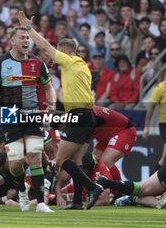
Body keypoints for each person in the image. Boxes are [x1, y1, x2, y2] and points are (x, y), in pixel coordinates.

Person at [18, 11, 103, 210]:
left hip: (79, 115)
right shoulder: (82, 66)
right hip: (87, 115)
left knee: (61, 161)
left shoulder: (70, 61)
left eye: (58, 52)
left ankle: (92, 187)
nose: (54, 56)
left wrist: (29, 29)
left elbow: (45, 47)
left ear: (64, 51)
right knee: (77, 160)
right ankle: (76, 203)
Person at [0, 26, 56, 213]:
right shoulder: (1, 63)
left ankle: (41, 203)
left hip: (32, 113)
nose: (27, 41)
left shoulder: (37, 62)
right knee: (16, 162)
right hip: (9, 113)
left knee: (35, 154)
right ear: (13, 41)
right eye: (22, 38)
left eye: (28, 38)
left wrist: (52, 103)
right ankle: (23, 191)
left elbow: (49, 87)